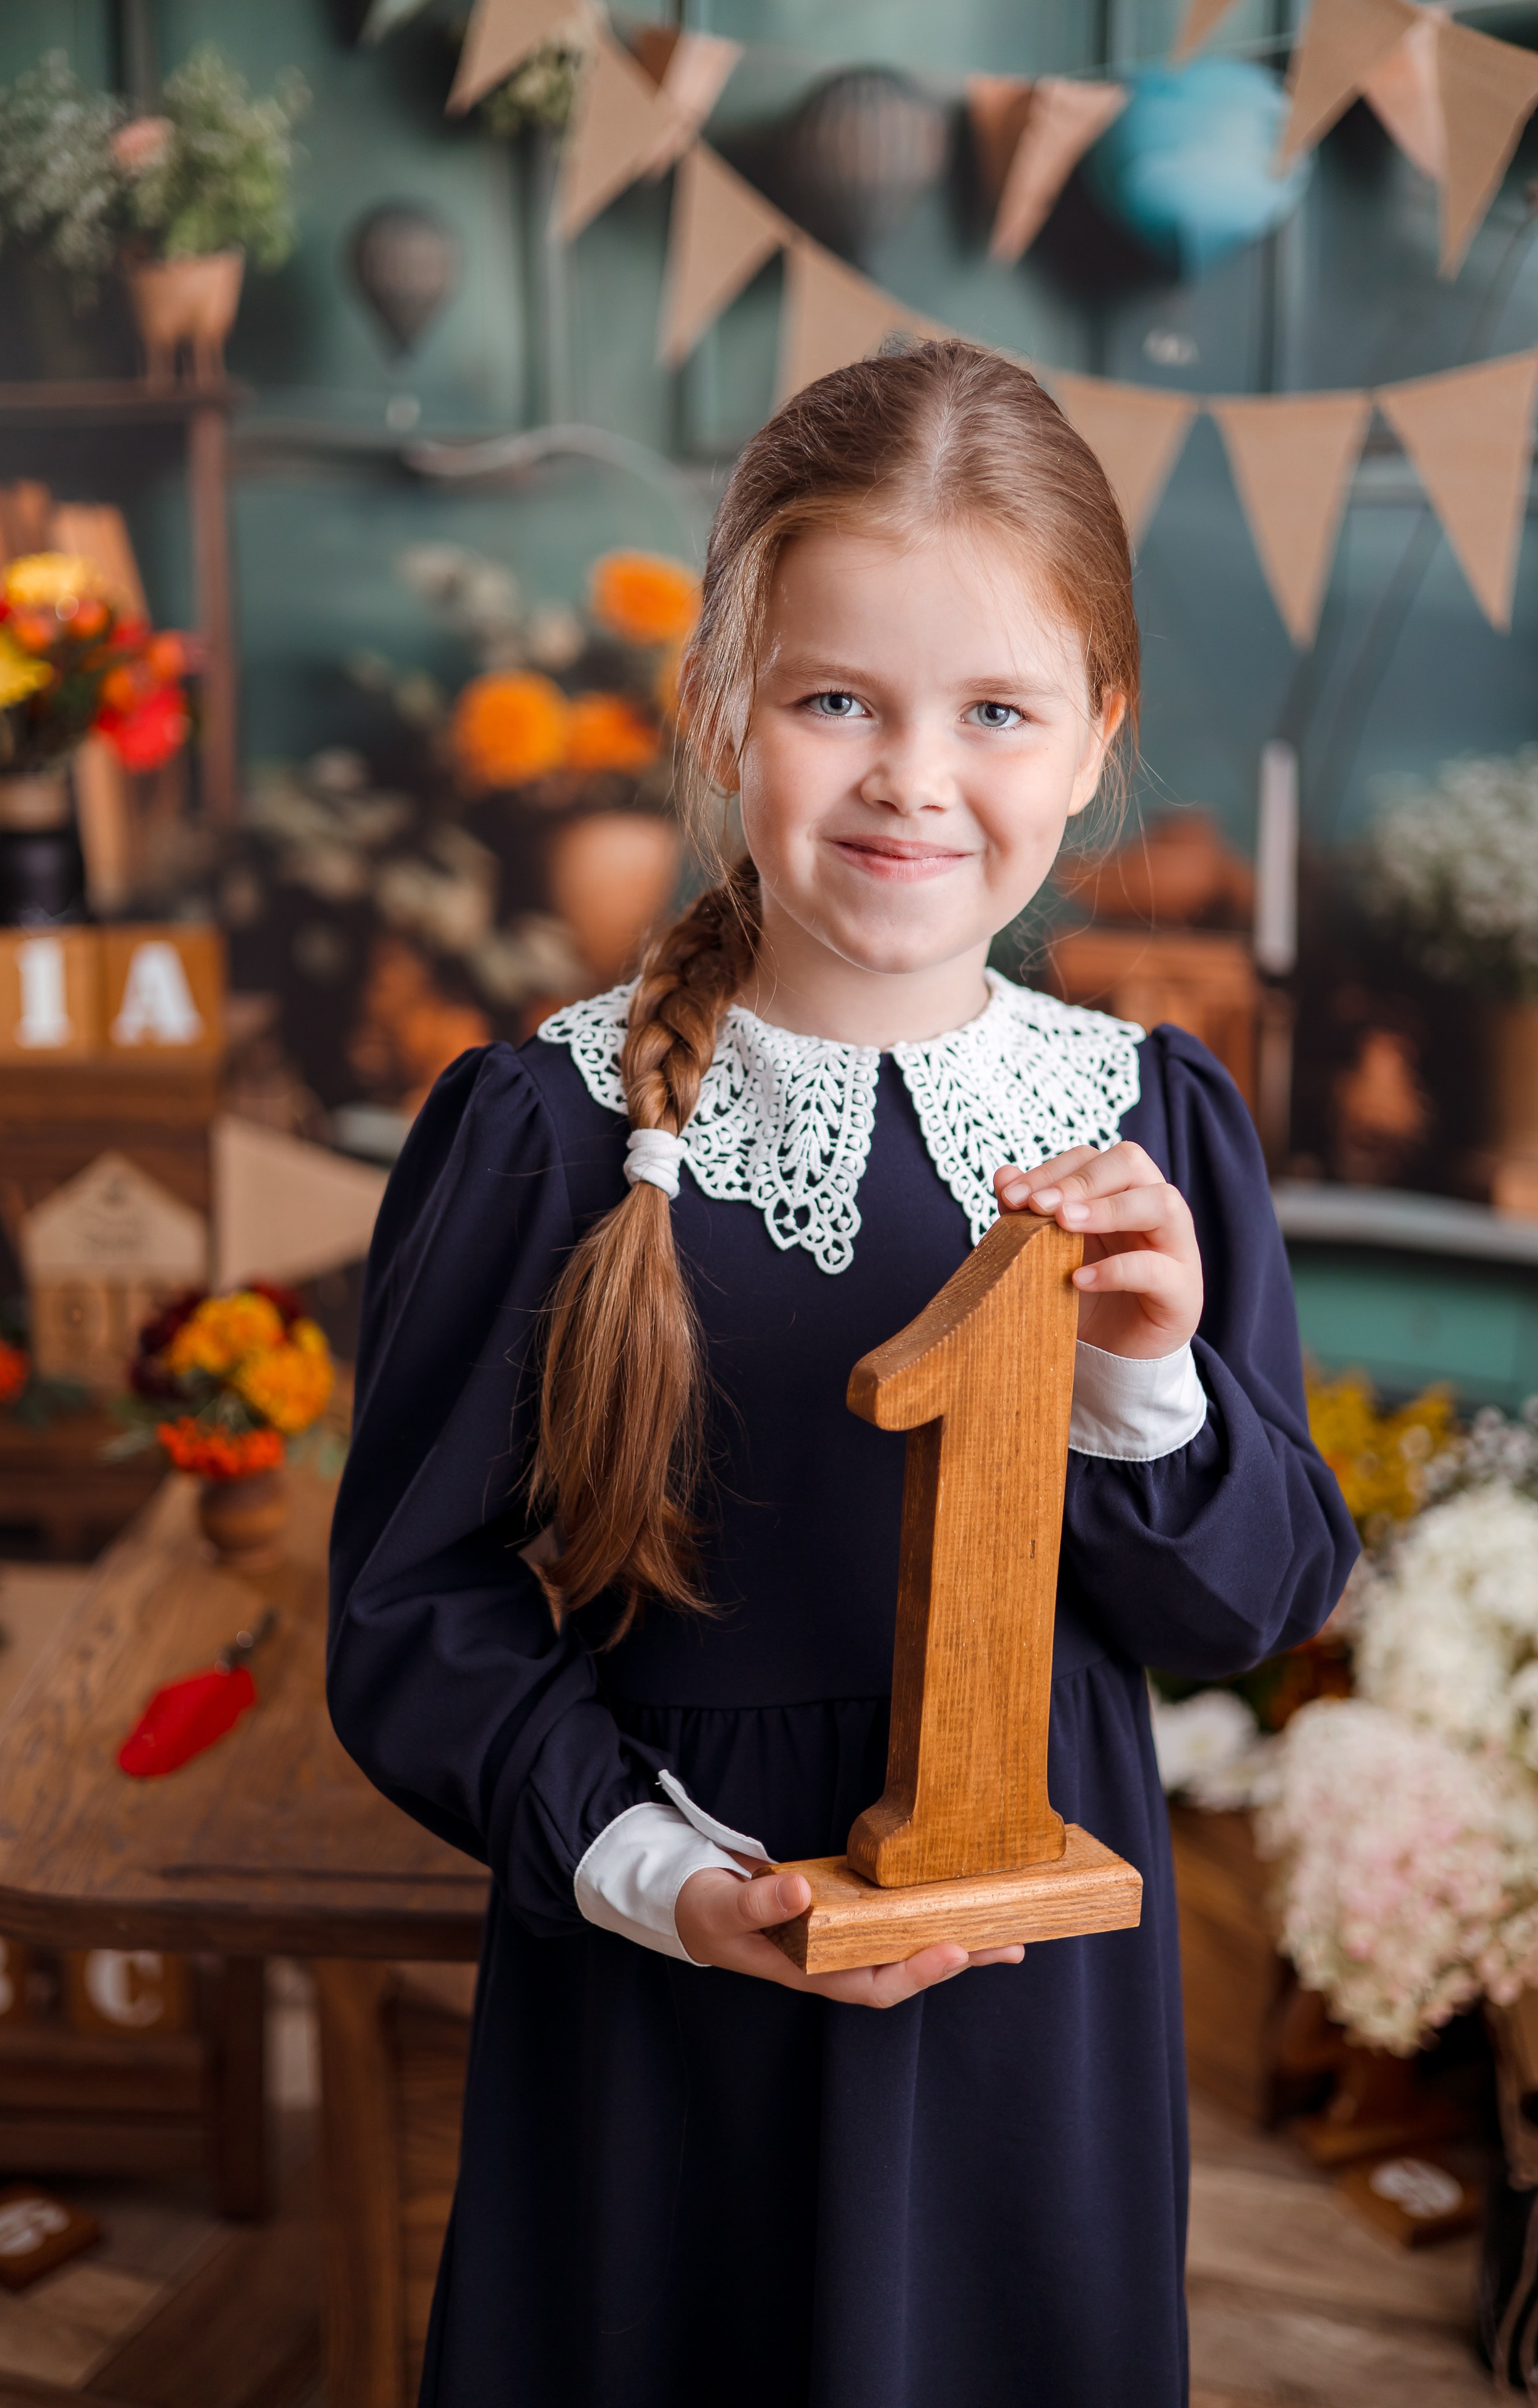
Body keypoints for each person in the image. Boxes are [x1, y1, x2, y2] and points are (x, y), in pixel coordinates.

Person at [327, 339, 1356, 2408]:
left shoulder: (1152, 1128)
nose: (912, 775)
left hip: (1030, 2018)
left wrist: (1148, 1382)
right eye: (836, 702)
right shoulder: (546, 1132)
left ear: (1091, 744)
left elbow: (1251, 1605)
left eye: (994, 711)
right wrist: (666, 1878)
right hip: (673, 1987)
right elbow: (414, 1619)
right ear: (724, 712)